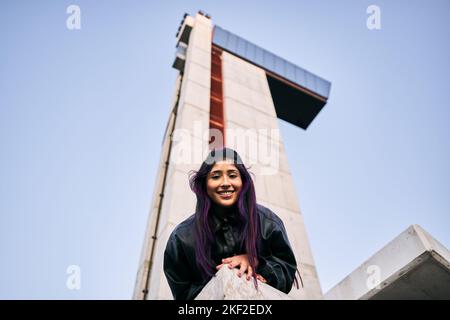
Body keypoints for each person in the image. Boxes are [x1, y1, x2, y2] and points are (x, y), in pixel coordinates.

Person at [163, 147, 298, 300]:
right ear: (204, 184)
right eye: (216, 176)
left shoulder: (267, 221)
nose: (225, 183)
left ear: (243, 181)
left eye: (232, 175)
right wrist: (223, 279)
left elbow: (287, 270)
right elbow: (183, 294)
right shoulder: (181, 238)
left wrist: (257, 263)